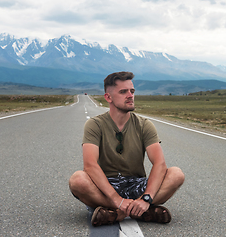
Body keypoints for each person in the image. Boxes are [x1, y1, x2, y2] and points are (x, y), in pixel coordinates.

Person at [69, 71, 185, 227]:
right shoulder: (95, 125)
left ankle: (118, 212)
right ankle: (133, 211)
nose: (130, 95)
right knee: (78, 180)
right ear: (108, 97)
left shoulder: (144, 125)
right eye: (123, 92)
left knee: (176, 174)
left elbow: (159, 164)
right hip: (106, 186)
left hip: (136, 184)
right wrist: (118, 200)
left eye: (132, 91)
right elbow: (90, 165)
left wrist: (146, 198)